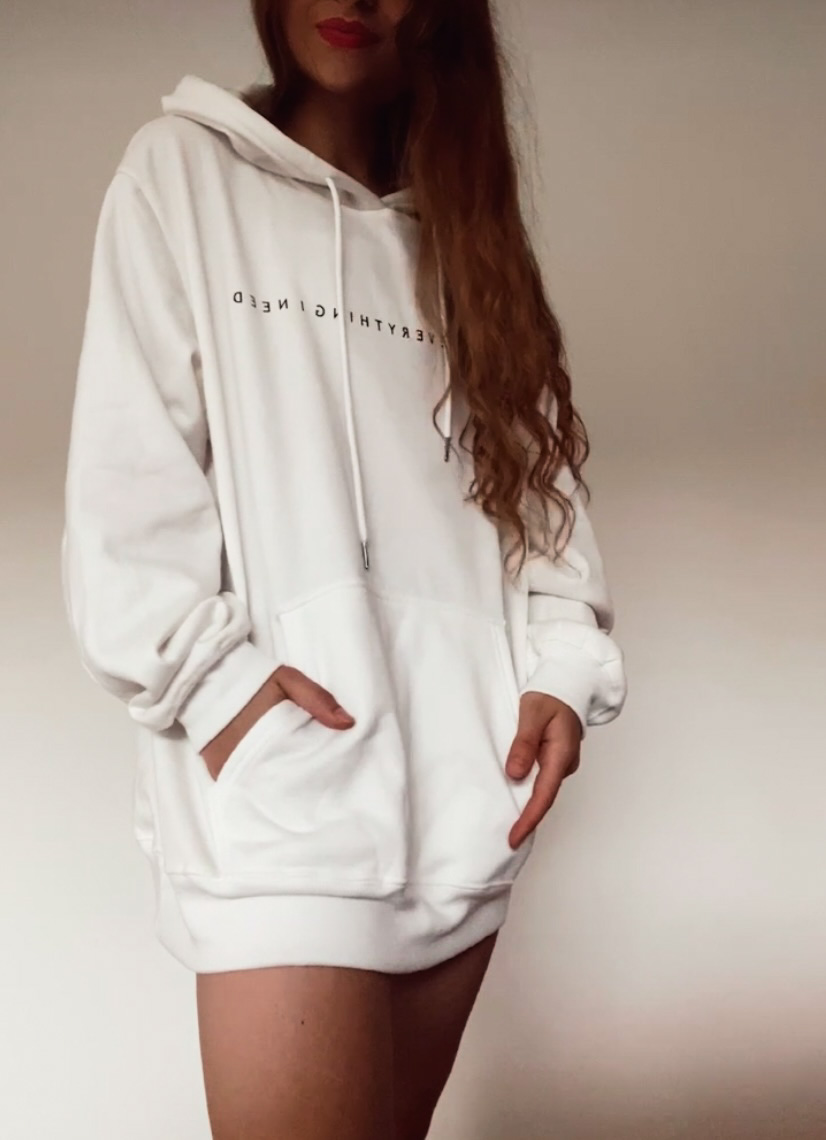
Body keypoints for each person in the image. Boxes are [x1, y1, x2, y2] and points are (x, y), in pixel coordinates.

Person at [61, 1, 628, 1136]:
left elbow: (539, 491)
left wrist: (563, 668)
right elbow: (128, 488)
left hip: (470, 799)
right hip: (287, 798)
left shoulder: (468, 231)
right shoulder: (182, 174)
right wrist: (225, 699)